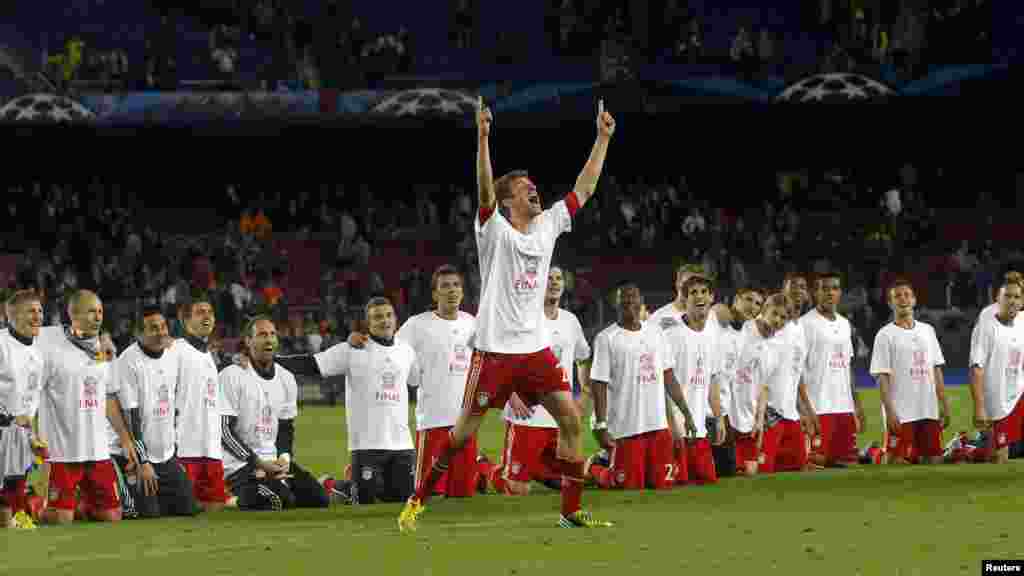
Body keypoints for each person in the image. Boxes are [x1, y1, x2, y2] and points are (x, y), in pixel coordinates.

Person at [398, 96, 616, 532]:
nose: (534, 189)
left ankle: (570, 512)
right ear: (507, 200)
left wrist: (602, 137)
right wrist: (482, 138)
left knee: (573, 423)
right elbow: (483, 190)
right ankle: (417, 501)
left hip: (534, 351)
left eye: (534, 184)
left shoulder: (550, 224)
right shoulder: (493, 230)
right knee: (459, 436)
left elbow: (585, 188)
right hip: (495, 352)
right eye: (524, 187)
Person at [276, 298, 418, 505]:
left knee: (401, 501)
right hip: (366, 445)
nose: (385, 321)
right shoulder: (352, 350)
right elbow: (312, 364)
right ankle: (334, 486)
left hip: (402, 444)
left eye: (389, 315)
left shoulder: (407, 351)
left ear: (396, 319)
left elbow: (417, 379)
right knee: (364, 502)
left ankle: (345, 483)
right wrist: (272, 360)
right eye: (378, 317)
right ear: (368, 324)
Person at [36, 290, 138, 524]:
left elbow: (109, 397)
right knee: (59, 520)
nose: (98, 316)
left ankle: (79, 504)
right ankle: (34, 505)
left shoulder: (105, 351)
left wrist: (124, 438)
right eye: (91, 311)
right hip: (62, 452)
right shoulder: (48, 344)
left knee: (112, 516)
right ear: (73, 314)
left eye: (100, 311)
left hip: (97, 451)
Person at [488, 266, 591, 495]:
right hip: (527, 416)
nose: (554, 283)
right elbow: (499, 359)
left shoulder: (570, 321)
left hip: (560, 419)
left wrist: (583, 395)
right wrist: (510, 395)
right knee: (516, 490)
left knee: (575, 480)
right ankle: (485, 468)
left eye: (558, 278)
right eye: (548, 278)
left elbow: (583, 358)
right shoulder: (522, 319)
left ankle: (536, 469)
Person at [587, 284, 697, 489]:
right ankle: (595, 468)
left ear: (641, 301)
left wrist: (687, 415)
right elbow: (598, 383)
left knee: (662, 483)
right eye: (624, 298)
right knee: (627, 485)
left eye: (633, 297)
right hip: (625, 427)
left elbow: (669, 376)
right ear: (616, 303)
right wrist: (601, 425)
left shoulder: (656, 333)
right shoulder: (606, 338)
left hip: (656, 424)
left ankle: (614, 461)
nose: (629, 301)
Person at [220, 316, 328, 510]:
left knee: (318, 499)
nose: (269, 339)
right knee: (279, 501)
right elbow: (224, 432)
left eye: (272, 334)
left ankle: (280, 485)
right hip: (240, 465)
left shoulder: (286, 378)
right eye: (262, 335)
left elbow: (286, 429)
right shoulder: (231, 375)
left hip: (273, 463)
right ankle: (229, 498)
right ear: (248, 341)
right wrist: (257, 463)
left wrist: (284, 459)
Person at [397, 265, 479, 499]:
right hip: (434, 420)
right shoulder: (417, 325)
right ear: (435, 294)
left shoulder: (471, 323)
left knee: (463, 495)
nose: (452, 290)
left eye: (456, 285)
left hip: (466, 421)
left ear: (462, 292)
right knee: (429, 494)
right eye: (445, 286)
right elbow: (391, 352)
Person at [113, 305, 197, 518]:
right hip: (139, 459)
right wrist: (143, 462)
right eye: (153, 328)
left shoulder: (172, 354)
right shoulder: (128, 361)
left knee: (188, 509)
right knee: (148, 515)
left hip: (167, 457)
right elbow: (132, 418)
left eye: (163, 327)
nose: (161, 332)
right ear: (139, 334)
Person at [870, 279, 951, 465]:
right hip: (902, 412)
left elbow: (936, 369)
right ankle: (875, 452)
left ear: (914, 300)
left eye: (907, 295)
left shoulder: (927, 331)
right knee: (896, 462)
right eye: (897, 296)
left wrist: (944, 403)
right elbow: (882, 377)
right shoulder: (884, 335)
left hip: (927, 409)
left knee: (934, 460)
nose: (903, 299)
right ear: (890, 304)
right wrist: (890, 411)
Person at [663, 274, 725, 485]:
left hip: (698, 428)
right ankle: (604, 460)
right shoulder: (671, 334)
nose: (700, 297)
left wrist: (718, 417)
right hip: (675, 428)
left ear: (712, 298)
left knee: (707, 480)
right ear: (685, 299)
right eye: (693, 293)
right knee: (676, 483)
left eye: (704, 292)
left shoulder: (713, 334)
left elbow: (712, 379)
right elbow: (662, 383)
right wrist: (671, 425)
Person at [801, 270, 865, 468]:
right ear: (814, 293)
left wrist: (856, 404)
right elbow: (797, 372)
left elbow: (847, 367)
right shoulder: (805, 324)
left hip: (844, 408)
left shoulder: (845, 324)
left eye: (835, 288)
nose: (830, 293)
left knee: (849, 465)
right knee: (818, 464)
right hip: (819, 408)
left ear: (840, 293)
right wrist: (804, 410)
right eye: (824, 289)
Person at [174, 291, 228, 512]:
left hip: (211, 448)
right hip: (185, 447)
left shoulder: (208, 355)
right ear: (186, 320)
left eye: (210, 312)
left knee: (215, 508)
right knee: (184, 509)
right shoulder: (175, 350)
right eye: (199, 313)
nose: (206, 317)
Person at [0, 290, 47, 529]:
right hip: (2, 427)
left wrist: (32, 432)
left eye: (40, 311)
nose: (38, 316)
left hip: (18, 432)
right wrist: (6, 417)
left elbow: (32, 397)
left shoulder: (37, 354)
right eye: (31, 311)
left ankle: (11, 525)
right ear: (12, 316)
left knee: (13, 483)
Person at [729, 292, 789, 475]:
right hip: (728, 414)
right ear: (764, 311)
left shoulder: (777, 348)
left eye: (783, 317)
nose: (778, 320)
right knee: (728, 471)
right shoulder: (743, 329)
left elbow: (764, 386)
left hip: (749, 418)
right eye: (775, 314)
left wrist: (760, 419)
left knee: (751, 471)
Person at [969, 277, 1024, 464]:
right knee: (999, 457)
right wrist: (979, 407)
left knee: (1006, 452)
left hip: (1017, 395)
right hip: (997, 401)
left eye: (1017, 297)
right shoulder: (986, 325)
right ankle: (964, 449)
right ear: (997, 299)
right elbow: (976, 369)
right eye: (1007, 296)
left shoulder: (1021, 322)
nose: (1012, 301)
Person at [712, 285, 764, 477]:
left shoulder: (744, 334)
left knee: (727, 470)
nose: (752, 306)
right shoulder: (717, 319)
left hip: (722, 409)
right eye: (748, 299)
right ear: (736, 300)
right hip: (704, 404)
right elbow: (715, 310)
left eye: (758, 303)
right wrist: (717, 308)